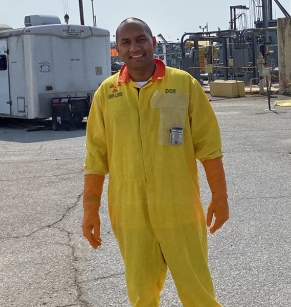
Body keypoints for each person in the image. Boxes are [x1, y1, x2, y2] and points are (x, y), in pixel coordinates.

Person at [82, 17, 229, 307]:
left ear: (153, 42)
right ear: (117, 49)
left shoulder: (183, 84)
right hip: (130, 211)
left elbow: (209, 147)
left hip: (180, 207)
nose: (134, 47)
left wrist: (220, 197)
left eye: (141, 39)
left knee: (197, 290)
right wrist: (90, 210)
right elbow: (96, 158)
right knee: (141, 293)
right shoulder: (106, 94)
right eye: (126, 42)